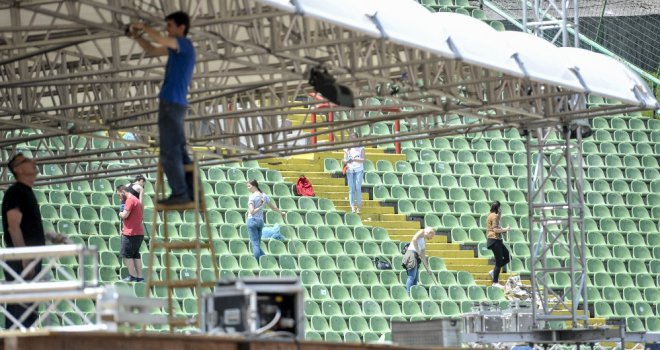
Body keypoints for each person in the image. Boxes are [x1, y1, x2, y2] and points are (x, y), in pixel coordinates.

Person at [129, 12, 195, 205]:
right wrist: (138, 36)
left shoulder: (183, 44)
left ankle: (180, 191)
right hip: (175, 104)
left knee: (169, 150)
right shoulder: (179, 49)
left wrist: (143, 26)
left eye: (170, 25)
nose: (167, 29)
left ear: (181, 27)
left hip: (171, 103)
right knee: (179, 150)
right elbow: (151, 49)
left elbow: (158, 39)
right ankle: (190, 190)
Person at [1, 153, 45, 329]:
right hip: (22, 260)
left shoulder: (26, 192)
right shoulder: (16, 192)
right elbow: (14, 226)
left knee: (28, 307)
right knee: (21, 307)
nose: (33, 162)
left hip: (27, 258)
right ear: (18, 170)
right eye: (27, 161)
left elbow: (26, 227)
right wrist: (25, 258)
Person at [246, 180, 285, 260]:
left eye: (249, 186)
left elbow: (252, 211)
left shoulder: (252, 196)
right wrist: (281, 213)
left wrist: (260, 207)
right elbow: (273, 207)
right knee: (257, 244)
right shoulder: (264, 195)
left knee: (255, 244)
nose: (248, 188)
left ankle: (258, 262)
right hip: (260, 221)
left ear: (254, 186)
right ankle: (264, 260)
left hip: (252, 220)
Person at [118, 186, 145, 282]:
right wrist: (124, 228)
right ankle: (140, 277)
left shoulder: (130, 200)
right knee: (135, 255)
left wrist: (120, 213)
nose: (120, 198)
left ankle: (132, 276)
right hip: (139, 233)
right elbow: (134, 218)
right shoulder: (137, 200)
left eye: (119, 195)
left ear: (123, 191)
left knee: (126, 255)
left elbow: (125, 215)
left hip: (131, 234)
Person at [402, 227, 436, 294]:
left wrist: (427, 269)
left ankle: (413, 293)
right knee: (412, 276)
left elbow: (423, 256)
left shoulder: (423, 241)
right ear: (429, 233)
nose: (431, 238)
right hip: (411, 254)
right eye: (432, 236)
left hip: (416, 256)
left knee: (415, 278)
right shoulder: (422, 231)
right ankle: (408, 293)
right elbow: (414, 239)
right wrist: (417, 250)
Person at [486, 200, 511, 288]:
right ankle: (495, 282)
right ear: (498, 207)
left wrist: (500, 214)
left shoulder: (491, 215)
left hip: (496, 240)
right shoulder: (494, 216)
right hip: (494, 240)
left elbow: (496, 225)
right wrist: (506, 230)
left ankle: (494, 272)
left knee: (508, 257)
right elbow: (495, 230)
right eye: (500, 207)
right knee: (499, 261)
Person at [343, 132, 365, 213]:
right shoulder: (347, 149)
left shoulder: (361, 148)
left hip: (359, 169)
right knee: (351, 188)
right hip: (350, 170)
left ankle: (359, 207)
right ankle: (352, 206)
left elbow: (363, 159)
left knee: (358, 188)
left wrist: (355, 159)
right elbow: (344, 160)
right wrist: (347, 160)